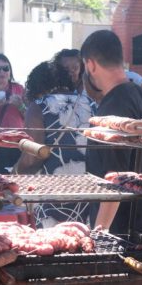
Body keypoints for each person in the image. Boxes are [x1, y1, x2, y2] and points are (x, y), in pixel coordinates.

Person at [82, 30, 142, 232]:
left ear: (91, 65)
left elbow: (115, 180)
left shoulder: (112, 110)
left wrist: (100, 232)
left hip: (120, 232)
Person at [14, 60, 96, 227]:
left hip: (52, 196)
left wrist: (15, 173)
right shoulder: (92, 104)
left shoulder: (39, 106)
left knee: (53, 246)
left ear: (36, 86)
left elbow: (32, 158)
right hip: (91, 194)